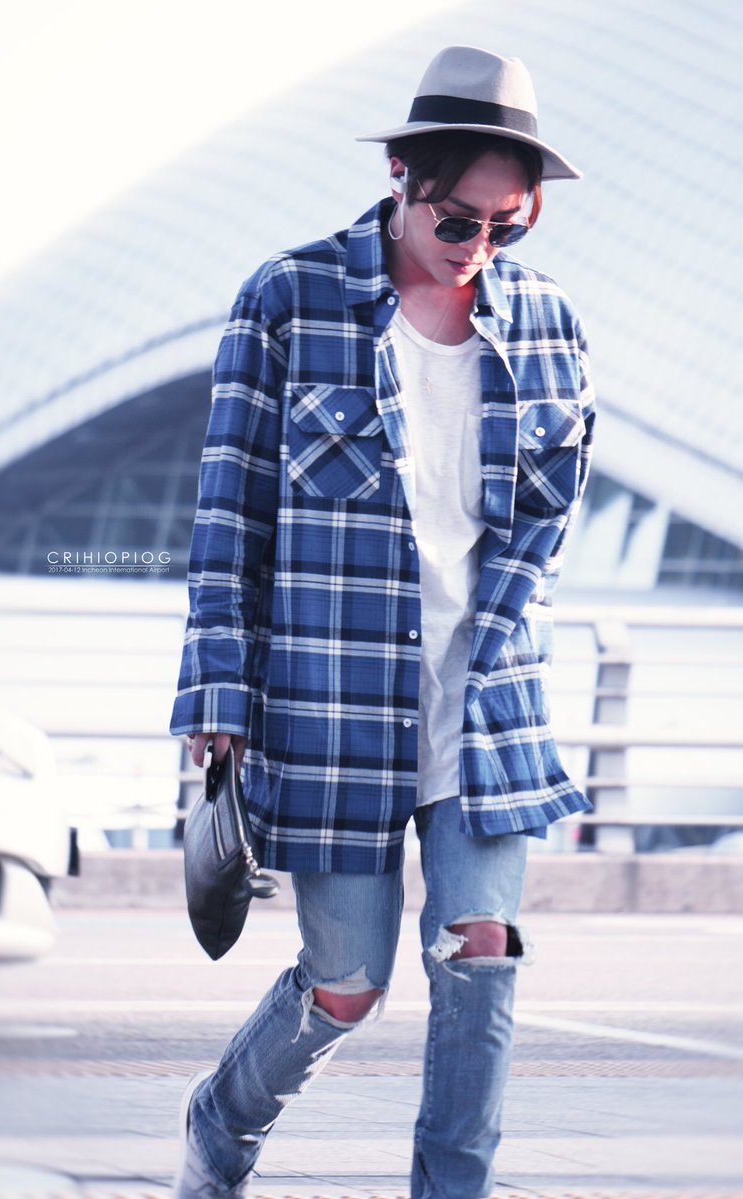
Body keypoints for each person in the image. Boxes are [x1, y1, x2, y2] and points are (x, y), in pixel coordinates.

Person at [170, 44, 595, 1199]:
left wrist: (509, 621)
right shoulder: (289, 299)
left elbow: (549, 514)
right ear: (401, 177)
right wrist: (217, 695)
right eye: (457, 220)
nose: (478, 246)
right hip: (331, 704)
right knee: (344, 982)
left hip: (482, 700)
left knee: (479, 953)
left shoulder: (548, 324)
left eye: (506, 225)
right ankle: (221, 1119)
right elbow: (228, 514)